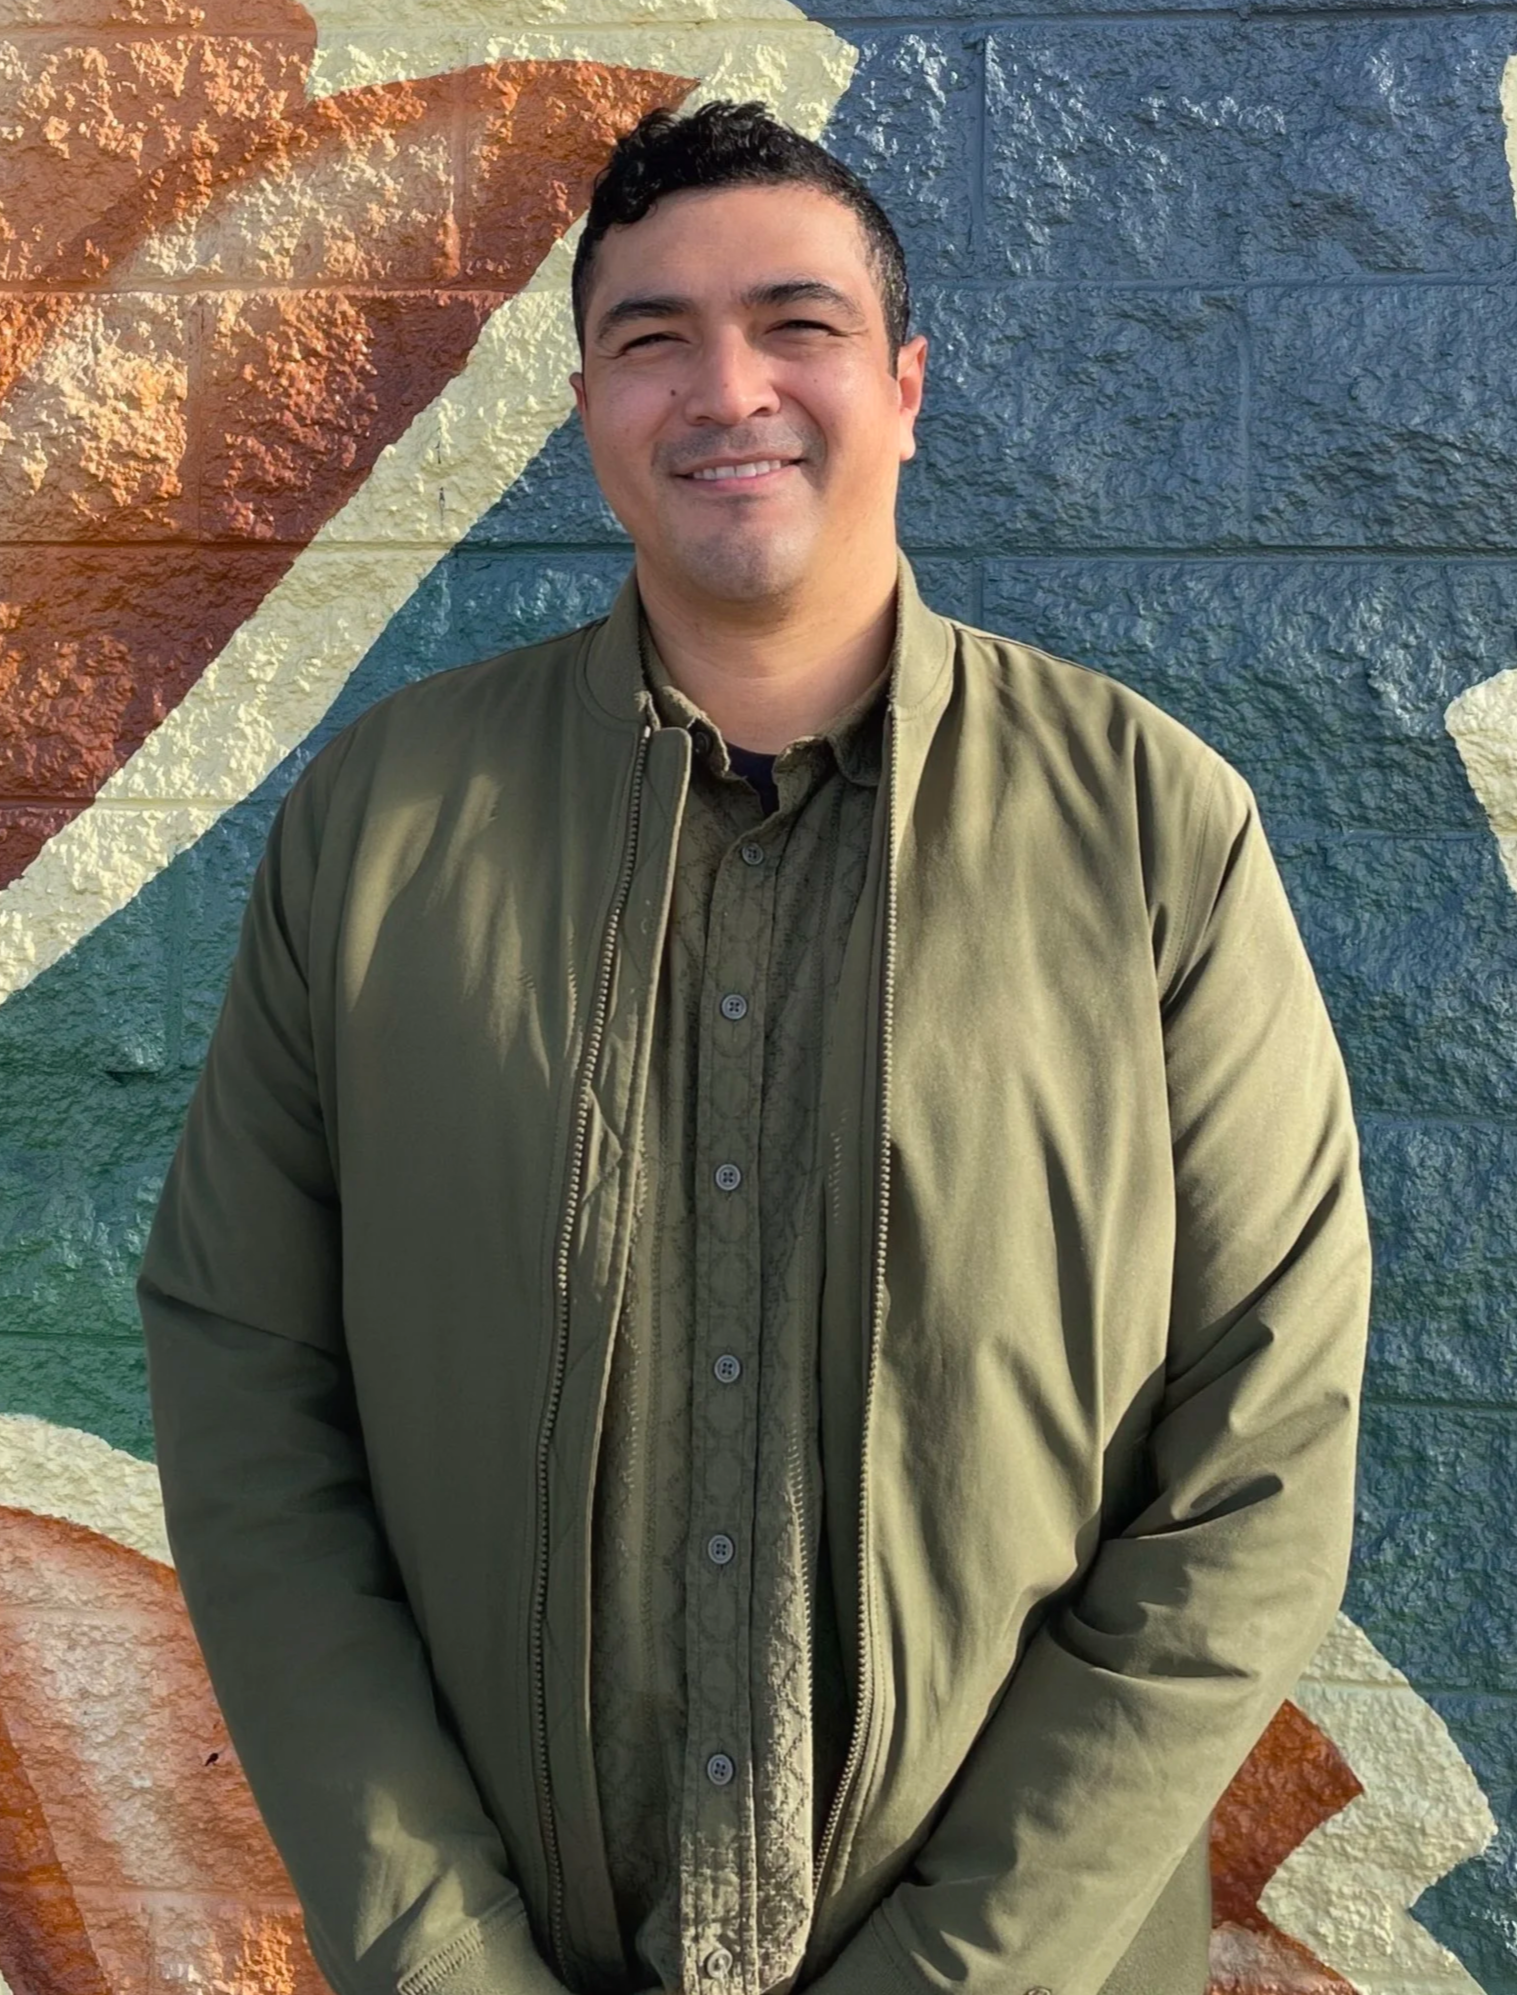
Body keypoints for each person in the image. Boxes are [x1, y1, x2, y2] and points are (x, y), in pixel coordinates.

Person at [138, 101, 1371, 1995]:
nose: (727, 390)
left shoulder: (1148, 829)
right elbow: (248, 1389)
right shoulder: (380, 826)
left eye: (796, 325)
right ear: (587, 411)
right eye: (654, 339)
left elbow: (1261, 1454)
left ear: (904, 387)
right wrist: (442, 1959)